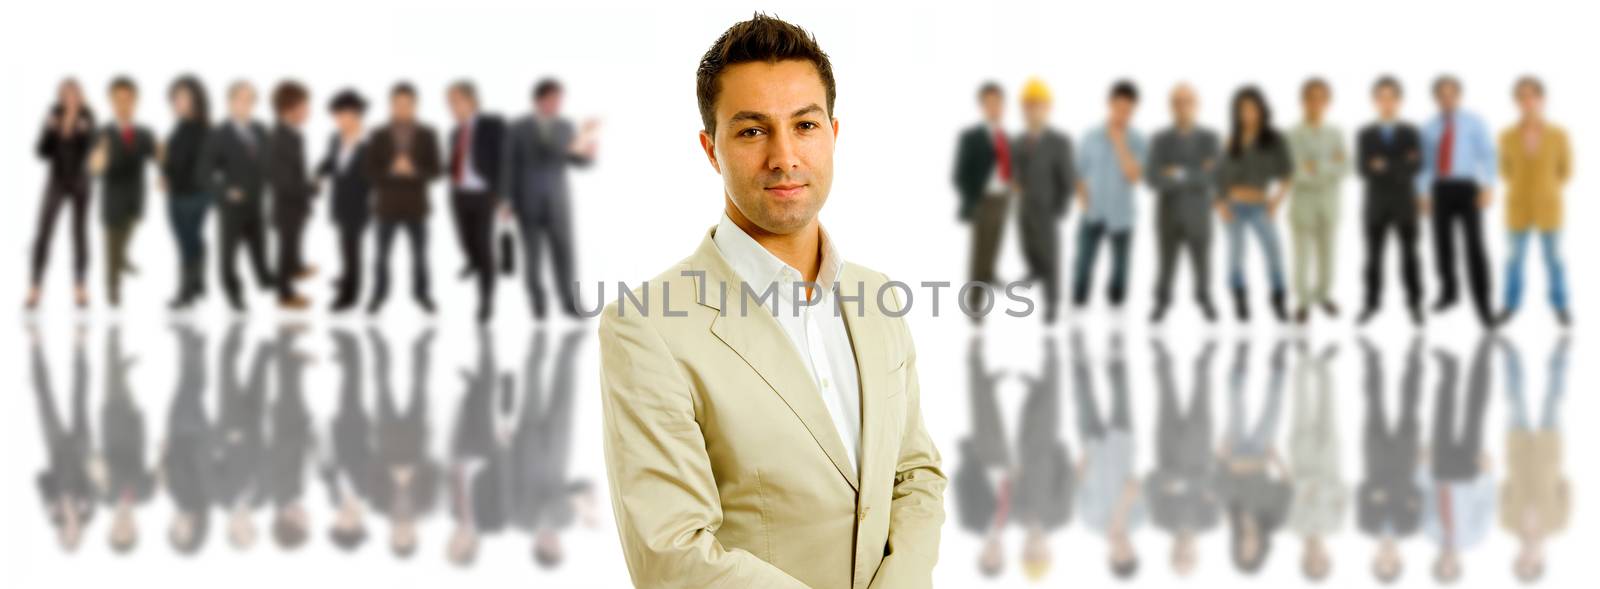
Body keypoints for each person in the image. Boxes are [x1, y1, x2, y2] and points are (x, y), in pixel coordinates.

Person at [598, 15, 945, 587]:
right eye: (753, 131)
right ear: (712, 148)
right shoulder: (647, 327)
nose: (785, 156)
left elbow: (916, 475)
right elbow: (672, 553)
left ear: (833, 132)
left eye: (804, 125)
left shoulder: (876, 296)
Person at [502, 78, 598, 319]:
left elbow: (574, 159)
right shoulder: (519, 128)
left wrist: (587, 152)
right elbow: (509, 165)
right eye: (552, 99)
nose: (556, 104)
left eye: (559, 100)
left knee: (564, 253)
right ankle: (538, 303)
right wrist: (506, 200)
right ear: (540, 100)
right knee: (532, 255)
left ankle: (568, 303)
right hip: (528, 201)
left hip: (557, 202)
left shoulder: (565, 127)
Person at [512, 329, 595, 569]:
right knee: (565, 394)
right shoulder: (566, 520)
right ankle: (568, 349)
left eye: (550, 548)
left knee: (532, 391)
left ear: (538, 547)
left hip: (527, 448)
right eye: (557, 547)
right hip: (559, 448)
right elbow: (573, 488)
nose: (554, 543)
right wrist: (587, 496)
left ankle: (537, 343)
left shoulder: (521, 520)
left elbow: (544, 498)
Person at [1419, 75, 1497, 328]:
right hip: (1440, 189)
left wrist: (1488, 185)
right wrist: (1422, 193)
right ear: (1436, 99)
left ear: (1459, 96)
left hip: (1467, 188)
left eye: (1451, 93)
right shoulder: (1428, 127)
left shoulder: (1474, 122)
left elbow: (1488, 155)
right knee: (1442, 244)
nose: (1447, 99)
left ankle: (1484, 305)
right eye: (1442, 95)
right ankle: (1449, 293)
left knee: (1474, 246)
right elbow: (1425, 165)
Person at [1496, 76, 1572, 327]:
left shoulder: (1558, 134)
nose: (1527, 101)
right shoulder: (1506, 135)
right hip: (1517, 205)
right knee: (1514, 258)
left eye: (1532, 95)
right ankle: (1510, 304)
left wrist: (1545, 189)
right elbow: (1504, 171)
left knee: (1554, 258)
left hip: (1549, 207)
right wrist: (1523, 188)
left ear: (1541, 99)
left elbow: (1566, 171)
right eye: (1522, 96)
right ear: (1517, 102)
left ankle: (1560, 305)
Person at [1421, 338, 1496, 584]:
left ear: (1437, 563)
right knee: (1475, 410)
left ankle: (1449, 367)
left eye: (1443, 567)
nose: (1448, 563)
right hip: (1467, 472)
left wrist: (1423, 466)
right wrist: (1486, 473)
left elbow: (1425, 496)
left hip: (1440, 470)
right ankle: (1483, 353)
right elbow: (1487, 503)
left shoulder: (1429, 532)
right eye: (1452, 568)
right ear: (1458, 565)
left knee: (1442, 415)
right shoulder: (1475, 536)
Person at [1216, 86, 1293, 323]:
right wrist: (1219, 204)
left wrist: (1276, 202)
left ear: (1261, 109)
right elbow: (1218, 177)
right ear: (1236, 113)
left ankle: (1278, 296)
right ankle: (1239, 296)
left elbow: (1288, 174)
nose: (1248, 114)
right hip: (1233, 205)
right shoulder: (1231, 140)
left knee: (1274, 250)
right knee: (1235, 254)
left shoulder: (1275, 139)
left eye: (1252, 109)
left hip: (1260, 205)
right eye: (1242, 110)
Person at [365, 82, 442, 315]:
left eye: (407, 104)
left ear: (415, 105)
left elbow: (437, 170)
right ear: (391, 105)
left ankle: (422, 295)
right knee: (381, 256)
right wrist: (391, 169)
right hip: (386, 207)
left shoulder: (429, 133)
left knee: (420, 256)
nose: (402, 108)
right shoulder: (377, 134)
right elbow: (369, 170)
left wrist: (414, 170)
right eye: (398, 104)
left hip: (416, 207)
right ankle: (378, 295)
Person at [1355, 76, 1427, 327]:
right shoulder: (1365, 133)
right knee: (1373, 258)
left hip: (1405, 204)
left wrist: (1383, 165)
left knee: (1410, 256)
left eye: (1391, 97)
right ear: (1375, 101)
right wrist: (1400, 163)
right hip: (1375, 205)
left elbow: (1417, 166)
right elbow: (1362, 170)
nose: (1386, 102)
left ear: (1399, 101)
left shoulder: (1411, 131)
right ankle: (1370, 304)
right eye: (1381, 97)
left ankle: (1415, 303)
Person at [1147, 83, 1221, 323]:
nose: (1183, 107)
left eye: (1188, 101)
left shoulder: (1210, 139)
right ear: (1171, 107)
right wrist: (1194, 173)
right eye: (1177, 102)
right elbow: (1152, 177)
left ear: (1196, 105)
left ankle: (1204, 297)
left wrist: (1176, 173)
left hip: (1199, 215)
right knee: (1165, 264)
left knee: (1202, 262)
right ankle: (1162, 300)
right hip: (1167, 215)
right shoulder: (1159, 139)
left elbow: (1213, 177)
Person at [1145, 339, 1220, 577]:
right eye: (1188, 558)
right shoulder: (1211, 521)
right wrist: (1179, 485)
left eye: (1178, 557)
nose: (1183, 552)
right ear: (1196, 554)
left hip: (1167, 449)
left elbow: (1151, 482)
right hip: (1199, 450)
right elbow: (1214, 482)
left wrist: (1184, 484)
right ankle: (1203, 363)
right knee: (1202, 399)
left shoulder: (1159, 520)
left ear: (1171, 552)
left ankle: (1162, 357)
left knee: (1165, 397)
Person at [1072, 331, 1143, 580]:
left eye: (1118, 554)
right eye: (1128, 551)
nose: (1122, 547)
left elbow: (1078, 487)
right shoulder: (1139, 519)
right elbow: (1134, 485)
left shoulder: (1090, 523)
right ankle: (1116, 334)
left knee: (1082, 388)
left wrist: (1080, 468)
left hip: (1092, 445)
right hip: (1121, 442)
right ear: (1133, 550)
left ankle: (1076, 337)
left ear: (1110, 556)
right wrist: (1120, 518)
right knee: (1120, 384)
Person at [1217, 340, 1292, 574]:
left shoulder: (1229, 516)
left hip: (1236, 451)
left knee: (1235, 403)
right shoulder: (1276, 521)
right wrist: (1277, 459)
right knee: (1274, 407)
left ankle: (1240, 361)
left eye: (1242, 551)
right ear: (1262, 550)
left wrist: (1220, 454)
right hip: (1262, 455)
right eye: (1253, 553)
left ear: (1236, 547)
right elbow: (1288, 487)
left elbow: (1220, 477)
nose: (1248, 546)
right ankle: (1278, 363)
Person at [1499, 336, 1569, 585]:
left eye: (1522, 564)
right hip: (1548, 451)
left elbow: (1503, 489)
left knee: (1514, 399)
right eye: (1532, 565)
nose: (1527, 559)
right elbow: (1567, 488)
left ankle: (1509, 354)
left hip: (1517, 451)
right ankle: (1560, 356)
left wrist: (1517, 473)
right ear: (1541, 561)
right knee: (1553, 399)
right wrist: (1550, 471)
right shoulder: (1559, 524)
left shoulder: (1507, 523)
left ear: (1516, 558)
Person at [201, 81, 277, 312]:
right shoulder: (218, 134)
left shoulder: (261, 129)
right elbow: (203, 172)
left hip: (257, 201)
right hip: (232, 205)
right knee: (228, 254)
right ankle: (233, 291)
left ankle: (264, 279)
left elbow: (269, 163)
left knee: (260, 245)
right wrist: (224, 191)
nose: (245, 104)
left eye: (250, 99)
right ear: (230, 102)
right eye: (240, 98)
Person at [1072, 81, 1147, 310]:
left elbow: (1135, 176)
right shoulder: (1090, 135)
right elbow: (1079, 171)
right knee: (1082, 264)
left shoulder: (1138, 140)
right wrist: (1083, 197)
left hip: (1122, 216)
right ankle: (1079, 303)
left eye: (1128, 110)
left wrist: (1119, 143)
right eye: (1119, 108)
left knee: (1120, 270)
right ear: (1109, 104)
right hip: (1093, 212)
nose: (1122, 114)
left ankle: (1116, 308)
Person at [1356, 337, 1425, 584]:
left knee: (1373, 402)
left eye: (1381, 564)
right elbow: (1417, 493)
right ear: (1399, 560)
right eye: (1391, 564)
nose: (1386, 558)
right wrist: (1385, 493)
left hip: (1374, 456)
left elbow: (1362, 490)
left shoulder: (1365, 525)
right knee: (1411, 404)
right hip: (1406, 457)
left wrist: (1390, 493)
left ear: (1374, 559)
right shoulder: (1411, 527)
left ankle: (1371, 357)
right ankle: (1415, 355)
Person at [370, 328, 441, 558]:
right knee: (420, 386)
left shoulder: (379, 506)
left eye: (396, 537)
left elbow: (371, 468)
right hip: (416, 438)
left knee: (382, 387)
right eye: (406, 537)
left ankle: (379, 345)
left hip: (387, 436)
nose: (401, 532)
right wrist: (413, 471)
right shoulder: (428, 506)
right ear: (415, 535)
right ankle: (421, 347)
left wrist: (392, 472)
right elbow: (436, 470)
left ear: (389, 536)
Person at [1010, 79, 1076, 324]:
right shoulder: (1018, 141)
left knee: (1051, 258)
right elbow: (1017, 171)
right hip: (1025, 207)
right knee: (1027, 245)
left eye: (1037, 105)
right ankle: (1034, 270)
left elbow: (1067, 180)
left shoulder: (1058, 142)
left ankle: (1052, 302)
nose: (1032, 110)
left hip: (1047, 209)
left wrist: (1058, 208)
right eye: (1028, 105)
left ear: (1047, 108)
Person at [27, 79, 95, 310]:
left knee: (79, 234)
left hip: (80, 181)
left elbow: (92, 151)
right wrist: (50, 129)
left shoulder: (88, 117)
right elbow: (40, 153)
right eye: (66, 95)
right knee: (44, 231)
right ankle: (35, 287)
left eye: (75, 94)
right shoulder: (53, 116)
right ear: (61, 97)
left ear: (81, 96)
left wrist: (85, 134)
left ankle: (80, 286)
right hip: (56, 181)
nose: (71, 99)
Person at [92, 76, 159, 308]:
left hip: (136, 198)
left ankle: (122, 261)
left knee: (126, 238)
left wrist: (164, 169)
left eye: (128, 99)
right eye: (118, 100)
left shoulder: (144, 133)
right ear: (111, 101)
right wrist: (98, 160)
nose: (123, 105)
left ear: (136, 101)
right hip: (113, 199)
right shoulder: (102, 133)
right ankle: (113, 288)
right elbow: (94, 169)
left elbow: (158, 157)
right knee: (112, 248)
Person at [1286, 78, 1349, 324]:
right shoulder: (1291, 134)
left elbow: (1346, 168)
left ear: (1328, 102)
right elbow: (1294, 172)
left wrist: (1315, 166)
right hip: (1302, 205)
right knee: (1301, 256)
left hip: (1329, 204)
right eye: (1311, 97)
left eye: (1321, 97)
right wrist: (1328, 167)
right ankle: (1302, 303)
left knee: (1329, 255)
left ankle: (1323, 295)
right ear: (1303, 101)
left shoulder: (1336, 133)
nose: (1316, 102)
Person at [446, 81, 508, 322]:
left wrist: (503, 197)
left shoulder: (492, 125)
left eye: (456, 101)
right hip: (459, 194)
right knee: (464, 238)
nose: (452, 107)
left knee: (484, 246)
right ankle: (472, 261)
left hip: (484, 195)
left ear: (471, 100)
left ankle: (486, 301)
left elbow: (503, 160)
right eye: (450, 103)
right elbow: (454, 161)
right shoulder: (454, 132)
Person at [28, 325, 94, 552]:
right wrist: (80, 497)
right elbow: (92, 480)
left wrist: (51, 500)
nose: (71, 531)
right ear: (80, 535)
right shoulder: (88, 512)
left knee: (44, 398)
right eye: (74, 536)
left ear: (60, 533)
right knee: (80, 394)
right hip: (81, 447)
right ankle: (80, 344)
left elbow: (40, 477)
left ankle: (35, 344)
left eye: (66, 535)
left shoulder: (52, 513)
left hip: (55, 450)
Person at [1013, 337, 1073, 581]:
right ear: (1048, 553)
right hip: (1048, 447)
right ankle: (1052, 348)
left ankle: (1035, 386)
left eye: (1029, 554)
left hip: (1025, 449)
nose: (1034, 550)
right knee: (1051, 400)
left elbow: (1015, 481)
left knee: (1028, 412)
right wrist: (1059, 451)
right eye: (1039, 555)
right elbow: (1066, 480)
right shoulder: (1059, 517)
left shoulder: (1017, 516)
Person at [952, 81, 1012, 317]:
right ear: (983, 106)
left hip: (1002, 198)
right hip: (983, 201)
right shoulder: (973, 137)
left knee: (995, 244)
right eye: (990, 103)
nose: (995, 107)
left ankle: (989, 275)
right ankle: (975, 304)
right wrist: (972, 199)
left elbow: (1009, 164)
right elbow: (960, 173)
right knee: (980, 252)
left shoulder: (1004, 136)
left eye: (998, 103)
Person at [953, 335, 1011, 578]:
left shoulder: (972, 522)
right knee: (993, 414)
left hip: (982, 460)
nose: (993, 553)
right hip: (1003, 460)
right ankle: (987, 383)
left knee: (979, 407)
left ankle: (974, 357)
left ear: (981, 554)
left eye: (988, 558)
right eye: (997, 558)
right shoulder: (1009, 524)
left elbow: (960, 485)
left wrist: (972, 461)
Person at [1287, 342, 1344, 582]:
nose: (1316, 557)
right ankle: (1323, 365)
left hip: (1302, 458)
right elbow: (1343, 491)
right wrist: (1314, 489)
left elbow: (1294, 490)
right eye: (1321, 562)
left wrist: (1313, 489)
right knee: (1328, 407)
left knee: (1301, 406)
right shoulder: (1336, 525)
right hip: (1331, 461)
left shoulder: (1292, 526)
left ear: (1303, 559)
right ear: (1328, 557)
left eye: (1311, 563)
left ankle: (1302, 359)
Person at [213, 321, 272, 550]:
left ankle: (235, 326)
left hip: (232, 423)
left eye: (240, 532)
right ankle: (271, 329)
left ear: (229, 528)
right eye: (250, 531)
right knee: (262, 366)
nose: (245, 526)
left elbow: (208, 457)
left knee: (226, 365)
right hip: (257, 425)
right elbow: (268, 461)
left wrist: (226, 438)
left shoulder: (221, 498)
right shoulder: (263, 498)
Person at [99, 327, 155, 554]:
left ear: (110, 528)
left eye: (117, 531)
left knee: (112, 381)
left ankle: (113, 332)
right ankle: (122, 364)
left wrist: (97, 469)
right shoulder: (145, 495)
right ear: (136, 529)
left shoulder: (105, 497)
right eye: (128, 532)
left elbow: (96, 463)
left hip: (112, 427)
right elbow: (159, 470)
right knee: (122, 387)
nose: (122, 526)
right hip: (135, 432)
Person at [316, 90, 372, 312]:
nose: (337, 120)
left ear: (356, 114)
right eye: (335, 116)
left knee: (352, 250)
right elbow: (329, 162)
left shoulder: (371, 142)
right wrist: (317, 174)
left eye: (341, 115)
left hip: (360, 206)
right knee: (343, 246)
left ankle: (350, 295)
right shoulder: (335, 137)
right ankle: (346, 276)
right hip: (338, 202)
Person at [162, 75, 215, 310]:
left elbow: (197, 166)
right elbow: (172, 159)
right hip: (175, 193)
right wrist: (164, 173)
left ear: (196, 99)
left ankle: (186, 292)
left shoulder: (204, 129)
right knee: (189, 240)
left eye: (184, 97)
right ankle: (198, 283)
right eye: (176, 98)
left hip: (195, 195)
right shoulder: (179, 126)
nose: (179, 103)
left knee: (187, 242)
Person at [162, 323, 214, 555]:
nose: (178, 527)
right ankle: (187, 339)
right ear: (195, 530)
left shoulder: (177, 499)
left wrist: (163, 451)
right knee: (189, 386)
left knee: (190, 386)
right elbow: (204, 466)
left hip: (176, 434)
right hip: (193, 434)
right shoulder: (201, 501)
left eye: (174, 531)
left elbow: (169, 467)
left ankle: (196, 344)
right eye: (183, 533)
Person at [322, 328, 374, 552]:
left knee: (345, 388)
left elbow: (325, 472)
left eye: (338, 525)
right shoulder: (368, 494)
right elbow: (374, 458)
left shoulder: (333, 500)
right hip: (358, 430)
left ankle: (346, 355)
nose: (342, 520)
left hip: (339, 432)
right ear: (359, 526)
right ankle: (351, 344)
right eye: (348, 526)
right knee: (354, 386)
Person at [269, 81, 318, 310]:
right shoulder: (278, 138)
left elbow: (297, 172)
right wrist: (311, 188)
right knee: (285, 249)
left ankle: (296, 267)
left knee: (294, 245)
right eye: (304, 106)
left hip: (296, 206)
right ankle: (285, 294)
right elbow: (284, 182)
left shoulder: (294, 134)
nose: (307, 111)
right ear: (289, 108)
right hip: (286, 207)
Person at [266, 324, 315, 550]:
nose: (307, 518)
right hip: (292, 427)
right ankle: (293, 356)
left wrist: (303, 436)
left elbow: (282, 454)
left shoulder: (280, 493)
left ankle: (284, 337)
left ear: (289, 523)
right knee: (291, 386)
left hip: (286, 426)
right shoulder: (293, 494)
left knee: (287, 385)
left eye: (303, 523)